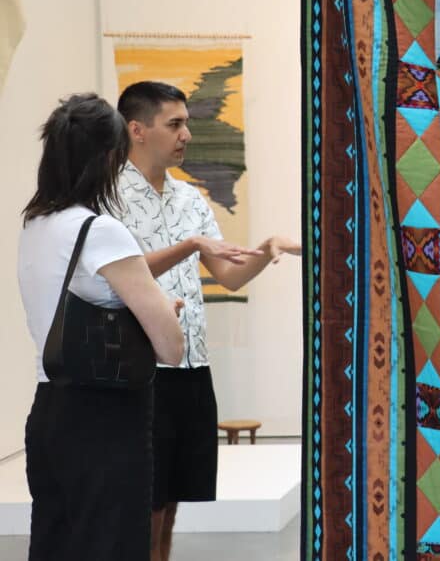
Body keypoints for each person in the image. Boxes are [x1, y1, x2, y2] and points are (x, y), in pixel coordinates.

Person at [113, 80, 301, 561]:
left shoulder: (191, 200)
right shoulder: (107, 200)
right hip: (138, 368)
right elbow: (116, 278)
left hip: (191, 366)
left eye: (187, 124)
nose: (186, 135)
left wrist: (266, 250)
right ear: (137, 129)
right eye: (174, 124)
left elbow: (229, 276)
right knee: (144, 496)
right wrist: (189, 248)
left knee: (174, 495)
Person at [18, 93, 185, 561]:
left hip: (50, 409)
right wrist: (166, 310)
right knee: (112, 545)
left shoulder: (36, 225)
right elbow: (170, 347)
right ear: (109, 156)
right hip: (106, 419)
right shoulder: (101, 232)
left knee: (56, 542)